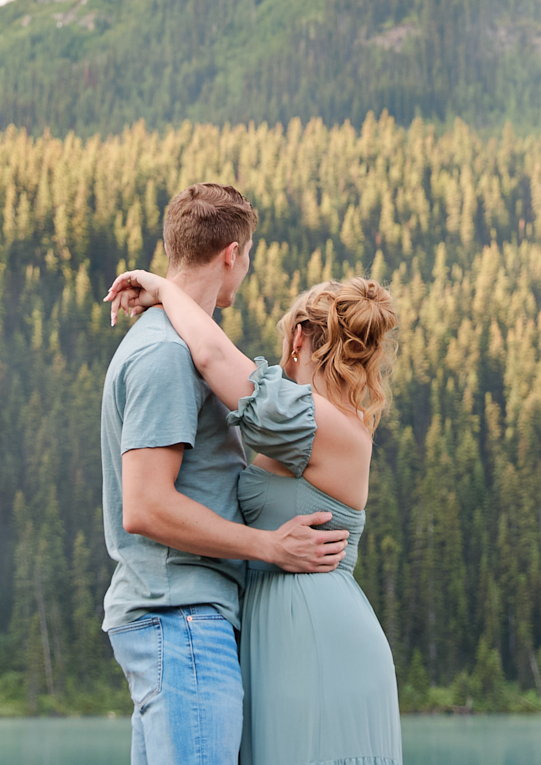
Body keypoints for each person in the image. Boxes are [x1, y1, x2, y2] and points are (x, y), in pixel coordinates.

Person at [105, 263, 402, 765]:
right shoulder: (312, 426)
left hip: (314, 639)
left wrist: (163, 288)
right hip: (281, 630)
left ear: (300, 339)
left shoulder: (320, 424)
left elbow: (212, 354)